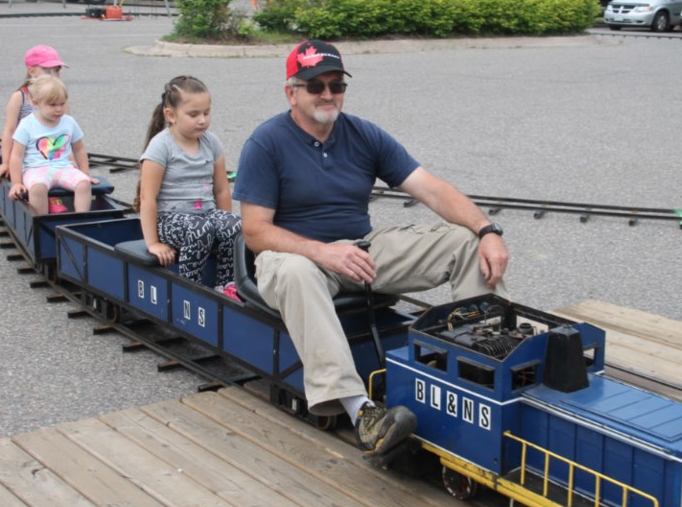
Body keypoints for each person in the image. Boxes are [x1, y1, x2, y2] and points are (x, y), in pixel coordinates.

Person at [233, 39, 510, 459]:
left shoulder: (364, 134)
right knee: (297, 272)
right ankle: (359, 410)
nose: (328, 94)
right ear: (292, 92)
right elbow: (255, 231)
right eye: (315, 86)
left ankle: (486, 363)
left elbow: (431, 190)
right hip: (293, 257)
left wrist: (487, 229)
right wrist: (320, 252)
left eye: (336, 85)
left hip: (359, 250)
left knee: (464, 242)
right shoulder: (266, 142)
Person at [135, 75, 242, 299]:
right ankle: (189, 289)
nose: (202, 120)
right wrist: (153, 243)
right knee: (200, 229)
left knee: (236, 225)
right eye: (193, 115)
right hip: (170, 221)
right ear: (171, 115)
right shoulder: (161, 146)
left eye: (206, 112)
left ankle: (226, 285)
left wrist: (225, 231)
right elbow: (148, 199)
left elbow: (221, 190)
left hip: (206, 215)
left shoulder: (211, 142)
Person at [8, 75, 96, 215]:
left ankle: (81, 220)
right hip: (35, 169)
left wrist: (84, 173)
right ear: (36, 103)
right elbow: (17, 156)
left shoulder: (69, 122)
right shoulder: (27, 125)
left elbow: (79, 149)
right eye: (53, 105)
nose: (59, 109)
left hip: (63, 167)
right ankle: (41, 223)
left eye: (62, 104)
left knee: (83, 184)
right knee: (37, 188)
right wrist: (16, 183)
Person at [0, 45, 67, 181]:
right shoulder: (20, 97)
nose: (53, 75)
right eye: (47, 70)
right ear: (32, 71)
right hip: (28, 156)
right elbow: (10, 130)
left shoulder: (58, 98)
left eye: (56, 70)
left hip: (53, 156)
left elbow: (65, 131)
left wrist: (71, 160)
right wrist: (6, 163)